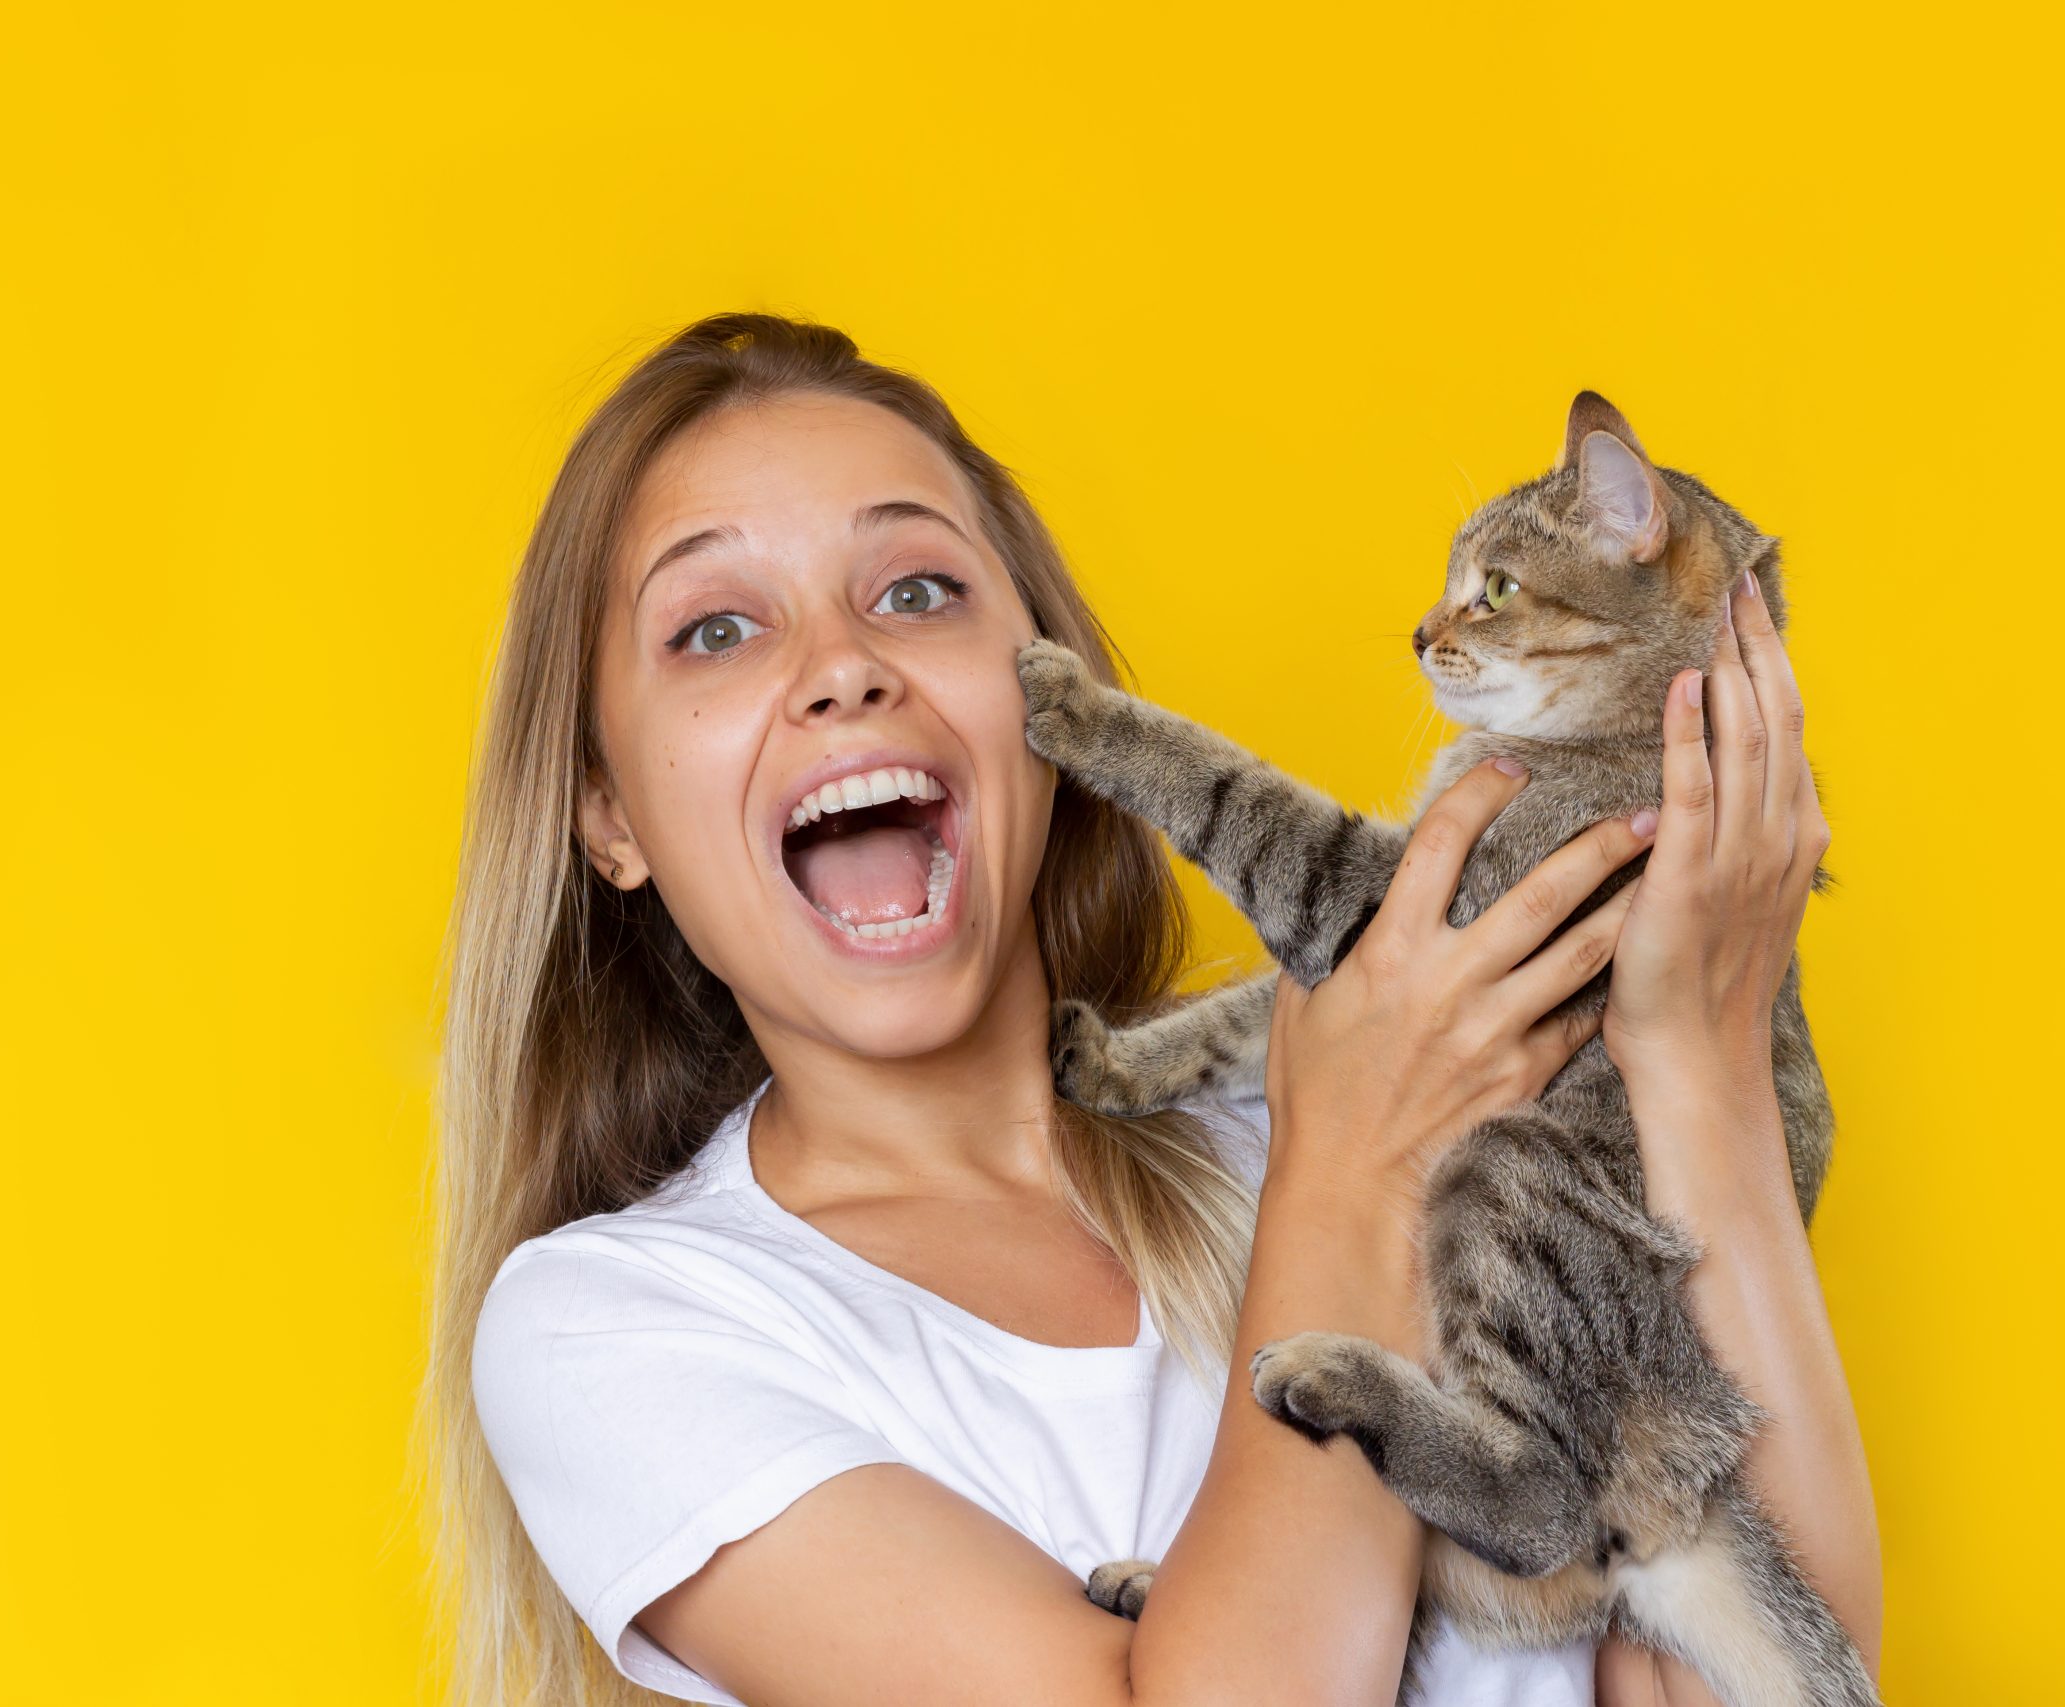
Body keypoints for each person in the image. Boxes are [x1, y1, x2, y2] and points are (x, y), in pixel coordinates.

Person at [421, 311, 1883, 1707]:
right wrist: (1361, 1166)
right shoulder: (620, 1331)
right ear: (607, 817)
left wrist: (1703, 1065)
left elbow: (1723, 1656)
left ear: (1046, 709)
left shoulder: (1351, 1095)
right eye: (717, 628)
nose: (844, 669)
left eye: (917, 591)